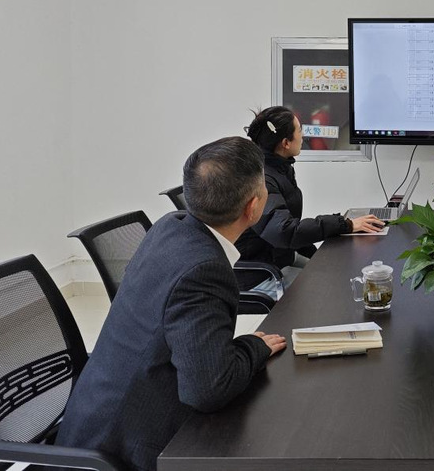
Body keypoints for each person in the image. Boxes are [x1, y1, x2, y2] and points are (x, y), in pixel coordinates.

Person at [57, 137, 287, 471]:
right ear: (253, 207)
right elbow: (208, 390)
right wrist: (253, 347)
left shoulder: (172, 225)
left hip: (95, 423)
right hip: (120, 454)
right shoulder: (204, 270)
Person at [237, 106, 383, 284]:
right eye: (299, 130)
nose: (303, 135)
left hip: (281, 257)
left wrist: (319, 255)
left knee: (338, 271)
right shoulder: (263, 179)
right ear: (286, 143)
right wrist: (345, 225)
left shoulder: (280, 167)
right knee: (330, 285)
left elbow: (289, 226)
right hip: (261, 274)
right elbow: (284, 231)